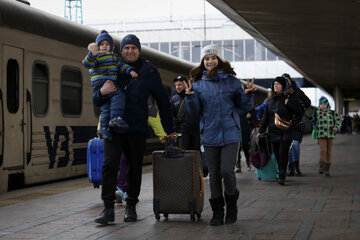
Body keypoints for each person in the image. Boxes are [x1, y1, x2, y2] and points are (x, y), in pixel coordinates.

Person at [92, 34, 174, 225]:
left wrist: (170, 129)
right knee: (109, 165)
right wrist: (101, 93)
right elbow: (97, 98)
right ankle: (108, 209)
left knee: (134, 168)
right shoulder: (112, 66)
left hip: (137, 128)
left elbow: (162, 100)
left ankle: (131, 206)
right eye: (126, 48)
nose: (130, 51)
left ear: (139, 50)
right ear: (121, 51)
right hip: (114, 128)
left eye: (133, 48)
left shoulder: (150, 72)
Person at [184, 44, 256, 226]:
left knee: (227, 171)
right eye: (206, 59)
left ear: (220, 60)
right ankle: (217, 211)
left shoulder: (232, 82)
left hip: (231, 133)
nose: (210, 61)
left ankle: (232, 206)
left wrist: (248, 95)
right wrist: (191, 97)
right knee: (214, 174)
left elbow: (244, 107)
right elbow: (194, 112)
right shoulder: (198, 85)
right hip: (209, 134)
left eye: (213, 58)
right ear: (203, 62)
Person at [83, 30, 138, 141]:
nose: (104, 46)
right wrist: (91, 54)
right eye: (101, 44)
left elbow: (122, 66)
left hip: (107, 84)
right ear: (97, 46)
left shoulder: (114, 57)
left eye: (107, 44)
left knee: (106, 108)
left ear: (111, 46)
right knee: (119, 95)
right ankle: (115, 118)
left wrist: (130, 71)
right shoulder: (96, 57)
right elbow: (87, 64)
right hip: (101, 83)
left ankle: (103, 128)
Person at [115, 97, 166, 204]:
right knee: (121, 160)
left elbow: (152, 115)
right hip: (120, 132)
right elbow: (107, 109)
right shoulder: (118, 89)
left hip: (135, 133)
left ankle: (127, 191)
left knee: (131, 163)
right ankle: (121, 188)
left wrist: (161, 134)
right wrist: (101, 127)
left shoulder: (143, 92)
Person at [258, 76, 303, 186]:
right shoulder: (270, 101)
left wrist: (289, 104)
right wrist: (261, 131)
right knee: (277, 154)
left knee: (283, 153)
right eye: (274, 84)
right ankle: (281, 171)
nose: (275, 86)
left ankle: (282, 175)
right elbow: (265, 118)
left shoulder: (289, 98)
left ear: (283, 86)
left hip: (286, 131)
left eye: (278, 84)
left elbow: (299, 111)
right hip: (273, 132)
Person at [170, 76, 207, 176]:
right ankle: (188, 174)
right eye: (176, 85)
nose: (178, 87)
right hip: (183, 130)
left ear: (186, 84)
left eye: (180, 84)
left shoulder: (194, 95)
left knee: (197, 151)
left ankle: (201, 170)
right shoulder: (174, 98)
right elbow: (172, 115)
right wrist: (173, 129)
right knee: (185, 152)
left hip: (197, 129)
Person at [282, 73, 311, 177]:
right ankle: (290, 168)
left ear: (290, 80)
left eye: (286, 79)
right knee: (288, 146)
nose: (285, 81)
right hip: (285, 124)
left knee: (295, 144)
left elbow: (308, 102)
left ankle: (296, 167)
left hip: (297, 122)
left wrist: (301, 111)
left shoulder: (297, 91)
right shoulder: (280, 92)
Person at [307, 96, 341, 176]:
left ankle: (327, 169)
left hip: (330, 134)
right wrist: (307, 113)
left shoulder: (332, 113)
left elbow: (338, 120)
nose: (323, 105)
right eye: (321, 104)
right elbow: (310, 119)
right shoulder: (317, 113)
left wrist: (336, 126)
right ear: (319, 105)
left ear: (327, 104)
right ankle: (321, 167)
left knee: (329, 152)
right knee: (323, 150)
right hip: (321, 135)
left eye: (324, 104)